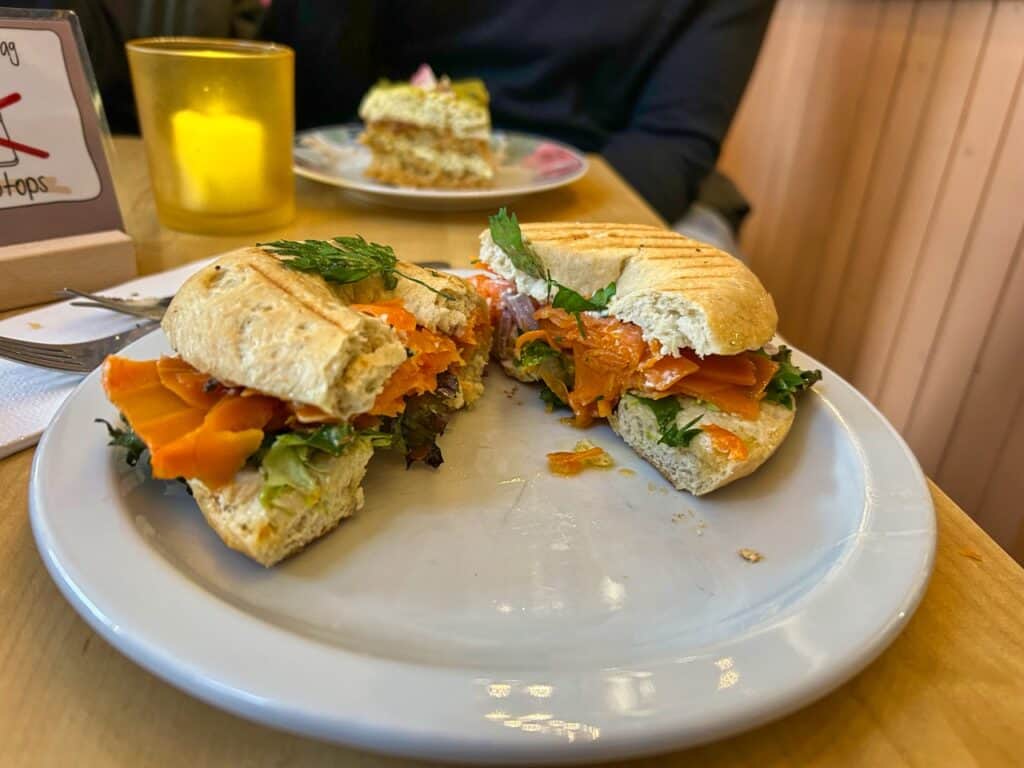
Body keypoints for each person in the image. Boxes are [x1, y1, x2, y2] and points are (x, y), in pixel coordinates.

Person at [260, 0, 775, 253]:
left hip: (602, 186)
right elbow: (309, 104)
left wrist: (527, 260)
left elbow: (672, 141)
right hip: (369, 173)